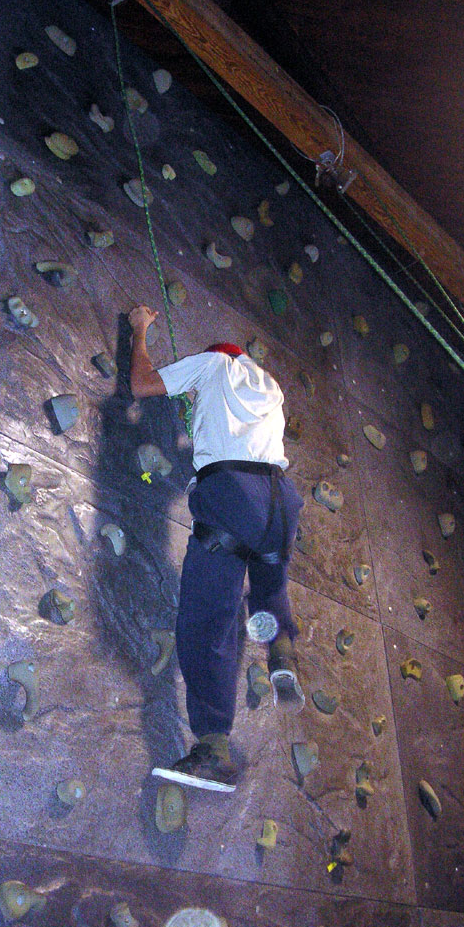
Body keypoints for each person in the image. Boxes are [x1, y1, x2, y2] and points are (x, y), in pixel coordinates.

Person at [127, 304, 304, 792]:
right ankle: (281, 650)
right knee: (268, 581)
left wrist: (140, 330)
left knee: (208, 619)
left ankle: (213, 749)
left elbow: (142, 384)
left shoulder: (211, 364)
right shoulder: (271, 387)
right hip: (280, 499)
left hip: (232, 494)